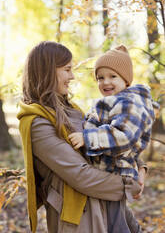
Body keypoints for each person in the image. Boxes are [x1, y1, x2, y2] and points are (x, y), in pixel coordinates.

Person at [17, 41, 147, 233]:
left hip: (108, 205)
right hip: (81, 219)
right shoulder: (38, 123)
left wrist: (141, 167)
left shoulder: (74, 111)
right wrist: (129, 185)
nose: (72, 76)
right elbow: (81, 176)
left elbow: (111, 138)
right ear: (48, 71)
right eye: (67, 69)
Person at [69, 45, 156, 232]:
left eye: (112, 76)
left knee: (115, 225)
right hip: (109, 173)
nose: (105, 82)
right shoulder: (113, 102)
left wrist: (87, 138)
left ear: (126, 80)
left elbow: (124, 137)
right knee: (117, 220)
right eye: (100, 78)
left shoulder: (130, 103)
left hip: (116, 175)